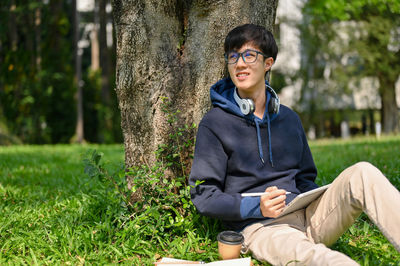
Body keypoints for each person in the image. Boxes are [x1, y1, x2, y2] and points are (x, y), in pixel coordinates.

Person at [188, 24, 400, 265]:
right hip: (262, 228)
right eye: (233, 56)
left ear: (268, 63)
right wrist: (256, 206)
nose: (239, 64)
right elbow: (204, 195)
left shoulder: (289, 118)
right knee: (320, 258)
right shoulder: (215, 123)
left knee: (363, 172)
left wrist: (308, 197)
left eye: (249, 55)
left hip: (309, 217)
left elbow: (306, 177)